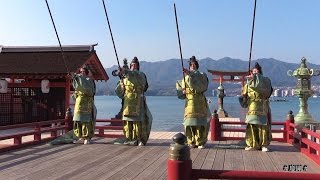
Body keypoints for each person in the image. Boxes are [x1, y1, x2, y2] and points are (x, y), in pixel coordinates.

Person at [115, 57, 152, 146]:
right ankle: (130, 139)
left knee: (138, 121)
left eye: (135, 65)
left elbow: (135, 75)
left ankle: (140, 139)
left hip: (138, 100)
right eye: (132, 65)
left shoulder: (140, 74)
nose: (133, 67)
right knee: (128, 121)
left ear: (138, 66)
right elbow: (119, 91)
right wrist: (121, 77)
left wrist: (126, 71)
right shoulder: (126, 76)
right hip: (128, 100)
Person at [176, 56, 211, 149]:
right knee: (189, 123)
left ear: (197, 66)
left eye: (194, 64)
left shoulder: (202, 75)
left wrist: (190, 73)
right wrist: (182, 91)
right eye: (191, 64)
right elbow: (181, 90)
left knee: (200, 123)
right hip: (189, 102)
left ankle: (200, 141)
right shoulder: (185, 77)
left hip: (199, 101)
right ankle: (191, 141)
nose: (192, 66)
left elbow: (202, 86)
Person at [241, 62, 273, 152]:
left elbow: (267, 92)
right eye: (253, 72)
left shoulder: (265, 81)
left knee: (262, 126)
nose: (254, 73)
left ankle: (264, 144)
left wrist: (256, 78)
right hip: (252, 106)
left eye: (256, 72)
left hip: (262, 106)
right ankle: (252, 144)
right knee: (251, 125)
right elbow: (244, 94)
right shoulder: (248, 83)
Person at [72, 65, 96, 145]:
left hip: (87, 102)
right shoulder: (79, 80)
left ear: (86, 72)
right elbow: (76, 88)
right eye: (80, 72)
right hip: (79, 101)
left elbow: (88, 90)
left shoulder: (89, 80)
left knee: (86, 121)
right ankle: (80, 136)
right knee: (78, 120)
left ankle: (87, 137)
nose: (81, 73)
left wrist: (77, 77)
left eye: (83, 72)